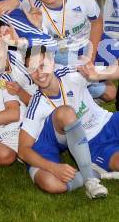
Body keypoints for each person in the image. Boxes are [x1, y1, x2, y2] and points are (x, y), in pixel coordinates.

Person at [19, 46, 112, 199]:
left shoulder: (72, 74)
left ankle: (90, 178)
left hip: (71, 135)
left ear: (53, 63)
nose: (39, 74)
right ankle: (92, 172)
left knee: (66, 112)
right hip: (46, 146)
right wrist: (54, 168)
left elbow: (107, 71)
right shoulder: (36, 104)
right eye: (33, 69)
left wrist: (99, 73)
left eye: (43, 66)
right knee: (51, 183)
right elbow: (23, 150)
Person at [26, 0, 115, 102]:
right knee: (110, 94)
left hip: (90, 40)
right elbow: (43, 48)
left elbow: (97, 22)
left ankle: (96, 78)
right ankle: (90, 88)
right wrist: (37, 26)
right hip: (64, 53)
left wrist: (89, 58)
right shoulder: (35, 12)